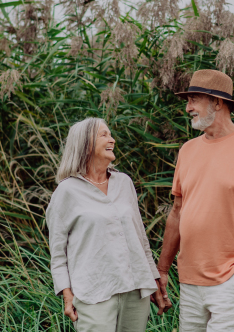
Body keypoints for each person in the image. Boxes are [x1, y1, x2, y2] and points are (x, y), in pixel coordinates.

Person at [155, 69, 234, 331]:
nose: (188, 107)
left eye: (194, 99)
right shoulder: (188, 150)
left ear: (218, 102)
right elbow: (177, 213)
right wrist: (163, 269)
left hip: (228, 281)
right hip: (189, 283)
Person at [46, 117, 166, 332]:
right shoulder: (66, 191)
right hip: (93, 293)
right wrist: (66, 293)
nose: (112, 140)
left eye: (110, 134)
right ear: (85, 143)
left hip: (135, 290)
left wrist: (153, 279)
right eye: (104, 135)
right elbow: (58, 253)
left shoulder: (124, 182)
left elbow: (140, 239)